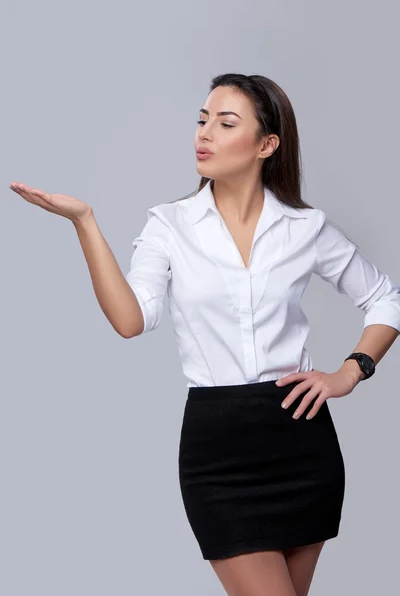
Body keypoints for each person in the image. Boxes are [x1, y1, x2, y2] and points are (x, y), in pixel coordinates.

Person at [9, 72, 400, 596]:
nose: (204, 134)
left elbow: (385, 299)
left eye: (225, 122)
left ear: (267, 145)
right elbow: (131, 320)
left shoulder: (304, 228)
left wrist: (351, 372)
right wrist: (85, 222)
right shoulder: (169, 226)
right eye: (202, 120)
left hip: (302, 442)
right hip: (220, 450)